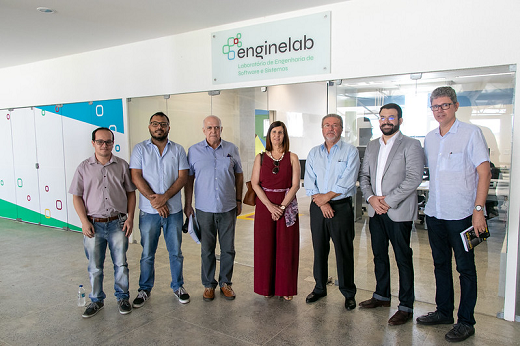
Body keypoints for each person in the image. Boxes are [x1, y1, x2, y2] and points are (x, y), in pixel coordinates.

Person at [417, 87, 491, 342]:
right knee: (439, 265)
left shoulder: (471, 134)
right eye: (435, 106)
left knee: (466, 269)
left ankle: (466, 321)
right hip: (436, 212)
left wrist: (478, 211)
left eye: (445, 105)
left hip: (462, 216)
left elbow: (484, 173)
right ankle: (443, 311)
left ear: (456, 106)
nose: (439, 111)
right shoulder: (430, 137)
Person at [358, 103, 424, 325]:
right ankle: (382, 295)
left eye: (391, 118)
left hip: (398, 211)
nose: (386, 121)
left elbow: (414, 178)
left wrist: (387, 200)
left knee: (403, 258)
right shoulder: (372, 145)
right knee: (378, 255)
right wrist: (371, 199)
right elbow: (364, 176)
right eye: (382, 117)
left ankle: (405, 306)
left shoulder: (412, 145)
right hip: (375, 211)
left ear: (400, 120)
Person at [69, 127, 136, 318]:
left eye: (108, 142)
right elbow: (77, 197)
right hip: (93, 225)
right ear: (93, 143)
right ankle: (96, 300)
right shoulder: (83, 168)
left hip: (117, 223)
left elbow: (131, 193)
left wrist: (130, 217)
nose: (104, 145)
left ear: (113, 143)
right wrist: (84, 221)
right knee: (95, 266)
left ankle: (123, 297)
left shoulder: (122, 165)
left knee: (121, 264)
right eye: (100, 142)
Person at [130, 111, 190, 307]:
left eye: (163, 124)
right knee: (147, 252)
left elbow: (182, 177)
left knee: (176, 252)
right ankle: (144, 289)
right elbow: (136, 176)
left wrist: (164, 198)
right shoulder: (140, 149)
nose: (159, 127)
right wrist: (154, 201)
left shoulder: (178, 150)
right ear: (149, 127)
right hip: (148, 212)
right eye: (155, 124)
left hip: (173, 211)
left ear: (168, 127)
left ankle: (178, 286)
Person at [184, 115, 243, 301]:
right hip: (204, 209)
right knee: (207, 249)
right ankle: (209, 285)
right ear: (203, 130)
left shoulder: (231, 149)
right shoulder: (193, 151)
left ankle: (226, 283)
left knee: (228, 249)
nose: (213, 131)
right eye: (209, 128)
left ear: (221, 129)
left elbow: (239, 175)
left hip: (228, 207)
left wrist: (239, 200)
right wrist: (188, 204)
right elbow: (189, 180)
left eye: (216, 127)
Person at [304, 114, 360, 310]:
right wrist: (322, 202)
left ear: (341, 129)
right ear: (322, 129)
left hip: (341, 207)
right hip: (318, 206)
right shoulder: (313, 153)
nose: (330, 129)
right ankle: (319, 288)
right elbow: (309, 181)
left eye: (335, 125)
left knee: (344, 251)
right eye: (327, 125)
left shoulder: (350, 151)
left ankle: (348, 292)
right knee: (319, 249)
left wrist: (326, 198)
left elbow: (348, 180)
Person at [251, 121, 301, 301]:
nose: (277, 136)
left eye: (280, 132)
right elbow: (255, 184)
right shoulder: (261, 157)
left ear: (284, 136)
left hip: (286, 208)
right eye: (273, 132)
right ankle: (267, 287)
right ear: (269, 135)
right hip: (265, 208)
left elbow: (295, 185)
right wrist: (270, 206)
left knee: (286, 248)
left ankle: (285, 288)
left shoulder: (293, 157)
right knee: (265, 248)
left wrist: (281, 207)